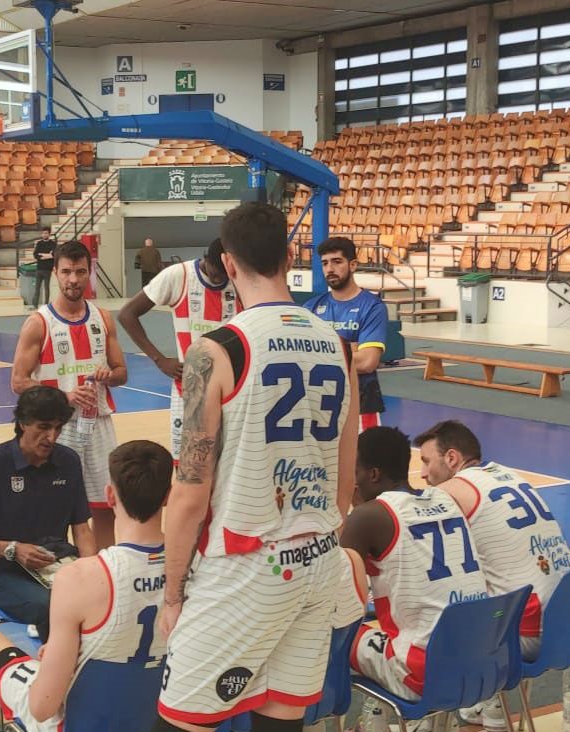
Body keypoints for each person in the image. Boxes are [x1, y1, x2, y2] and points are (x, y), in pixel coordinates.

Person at [155, 202, 359, 732]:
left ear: (226, 262)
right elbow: (344, 480)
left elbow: (189, 493)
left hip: (248, 564)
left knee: (180, 722)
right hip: (318, 561)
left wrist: (172, 595)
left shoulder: (217, 348)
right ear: (290, 255)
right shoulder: (338, 346)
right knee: (280, 724)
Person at [0, 439, 172, 732]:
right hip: (158, 715)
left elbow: (43, 707)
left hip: (80, 722)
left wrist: (56, 659)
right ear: (168, 496)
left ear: (110, 495)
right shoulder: (196, 567)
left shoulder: (80, 578)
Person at [414, 420, 570, 731]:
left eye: (426, 461)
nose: (422, 474)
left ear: (452, 459)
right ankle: (488, 703)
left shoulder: (451, 492)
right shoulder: (510, 475)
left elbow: (422, 563)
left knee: (428, 620)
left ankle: (425, 721)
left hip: (525, 635)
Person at [340, 427, 488, 713]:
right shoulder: (447, 500)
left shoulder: (369, 515)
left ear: (372, 475)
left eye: (352, 471)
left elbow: (336, 597)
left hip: (424, 674)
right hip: (485, 657)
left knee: (331, 635)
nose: (349, 480)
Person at [11, 240, 128, 549]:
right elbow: (19, 381)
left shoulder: (103, 318)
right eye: (66, 272)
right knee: (55, 508)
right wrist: (64, 396)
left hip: (99, 423)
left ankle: (103, 571)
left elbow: (121, 373)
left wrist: (108, 375)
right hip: (56, 428)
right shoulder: (39, 323)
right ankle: (57, 571)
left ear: (89, 272)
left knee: (106, 505)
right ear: (55, 274)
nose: (73, 279)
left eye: (80, 271)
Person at [0, 386, 96, 642]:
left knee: (101, 594)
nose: (51, 437)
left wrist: (92, 570)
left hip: (55, 565)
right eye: (43, 427)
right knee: (53, 605)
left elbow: (82, 529)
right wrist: (12, 549)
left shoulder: (69, 461)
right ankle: (56, 676)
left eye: (58, 428)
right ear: (22, 423)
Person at [119, 238, 242, 459]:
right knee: (187, 466)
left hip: (229, 394)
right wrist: (159, 360)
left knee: (225, 469)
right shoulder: (179, 276)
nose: (219, 280)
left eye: (224, 276)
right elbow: (127, 314)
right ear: (206, 258)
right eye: (215, 274)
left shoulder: (238, 280)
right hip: (187, 391)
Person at [304, 237, 389, 430]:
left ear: (353, 265)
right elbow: (300, 356)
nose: (330, 269)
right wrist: (349, 349)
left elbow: (367, 362)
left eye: (337, 261)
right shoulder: (311, 307)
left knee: (364, 460)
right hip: (319, 403)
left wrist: (318, 352)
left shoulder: (372, 307)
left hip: (361, 403)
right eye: (325, 263)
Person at [32, 226, 56, 308]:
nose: (44, 235)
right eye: (43, 233)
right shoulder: (39, 243)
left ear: (49, 234)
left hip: (48, 269)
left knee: (46, 288)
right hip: (39, 268)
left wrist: (43, 255)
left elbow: (54, 255)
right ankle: (35, 304)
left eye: (46, 233)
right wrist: (48, 255)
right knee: (37, 288)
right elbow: (35, 255)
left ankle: (46, 305)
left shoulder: (53, 244)